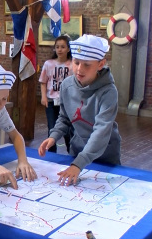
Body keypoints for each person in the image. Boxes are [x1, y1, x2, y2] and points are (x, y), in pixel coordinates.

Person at [38, 34, 121, 186]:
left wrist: (78, 164)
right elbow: (64, 118)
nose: (79, 69)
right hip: (77, 152)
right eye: (76, 63)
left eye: (87, 65)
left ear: (100, 64)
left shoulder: (109, 91)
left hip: (105, 154)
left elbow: (101, 130)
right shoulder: (67, 86)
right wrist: (54, 136)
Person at [39, 35, 73, 153]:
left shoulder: (73, 65)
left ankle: (71, 152)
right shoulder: (49, 64)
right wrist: (43, 96)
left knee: (68, 129)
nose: (59, 50)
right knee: (52, 128)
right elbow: (43, 82)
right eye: (57, 47)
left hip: (67, 102)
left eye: (63, 47)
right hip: (51, 100)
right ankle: (52, 154)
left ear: (68, 49)